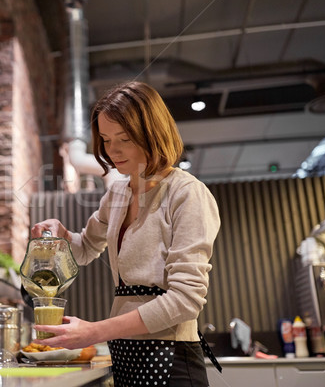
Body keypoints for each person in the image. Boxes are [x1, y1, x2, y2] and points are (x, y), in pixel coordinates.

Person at [31, 81, 221, 386]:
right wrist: (62, 234)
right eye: (105, 139)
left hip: (171, 355)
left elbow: (186, 299)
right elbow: (84, 249)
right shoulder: (118, 193)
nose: (112, 150)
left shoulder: (187, 194)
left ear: (153, 134)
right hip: (126, 351)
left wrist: (95, 331)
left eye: (124, 138)